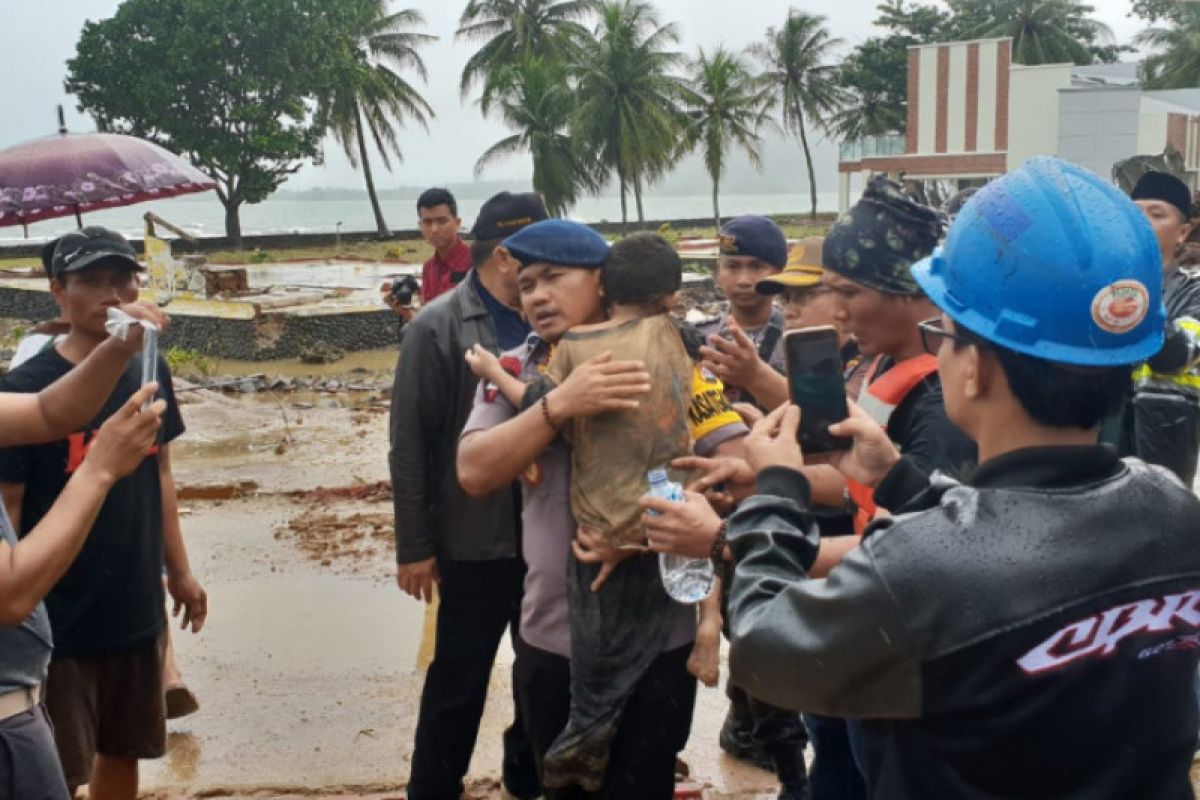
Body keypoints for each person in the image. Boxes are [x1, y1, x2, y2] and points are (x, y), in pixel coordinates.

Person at [720, 156, 1200, 797]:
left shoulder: (917, 571)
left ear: (976, 371)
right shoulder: (1170, 508)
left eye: (940, 332)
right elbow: (1025, 537)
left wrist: (775, 494)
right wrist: (900, 481)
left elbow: (761, 648)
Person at [457, 223, 749, 798]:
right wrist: (559, 405)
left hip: (657, 639)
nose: (536, 295)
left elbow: (738, 475)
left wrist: (650, 529)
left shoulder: (670, 356)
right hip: (549, 637)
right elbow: (474, 471)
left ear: (602, 282)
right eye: (527, 283)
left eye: (554, 278)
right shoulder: (518, 370)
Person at [0, 226, 206, 800]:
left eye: (122, 279)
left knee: (125, 748)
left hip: (132, 602)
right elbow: (10, 513)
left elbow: (159, 473)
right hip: (58, 614)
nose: (110, 296)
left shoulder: (147, 371)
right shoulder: (24, 386)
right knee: (57, 767)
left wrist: (179, 571)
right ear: (56, 292)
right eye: (91, 280)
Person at [390, 191, 547, 800]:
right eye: (541, 259)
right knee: (458, 677)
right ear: (506, 257)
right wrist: (415, 546)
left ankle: (526, 776)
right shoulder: (437, 327)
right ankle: (432, 788)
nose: (550, 278)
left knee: (544, 672)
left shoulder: (559, 322)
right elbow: (408, 446)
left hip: (548, 537)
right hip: (473, 538)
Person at [1112, 170, 1200, 485]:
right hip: (1103, 447)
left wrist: (1132, 298)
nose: (1142, 222)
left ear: (1183, 231)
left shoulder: (1194, 292)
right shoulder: (1104, 285)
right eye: (1135, 214)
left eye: (1157, 214)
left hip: (1166, 457)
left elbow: (1182, 351)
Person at [697, 215, 789, 407]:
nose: (743, 280)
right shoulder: (698, 338)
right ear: (718, 272)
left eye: (757, 267)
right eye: (732, 266)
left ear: (780, 272)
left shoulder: (797, 338)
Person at [417, 187, 471, 304]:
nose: (434, 229)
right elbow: (429, 319)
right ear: (420, 225)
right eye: (427, 222)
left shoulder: (475, 263)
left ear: (457, 223)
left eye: (442, 221)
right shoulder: (428, 268)